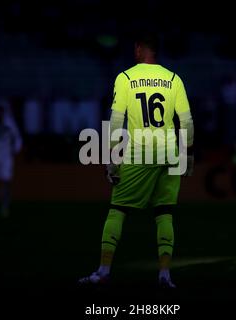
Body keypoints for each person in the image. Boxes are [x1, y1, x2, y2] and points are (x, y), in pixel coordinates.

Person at [79, 33, 194, 289]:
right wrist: (187, 154)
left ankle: (103, 271)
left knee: (117, 209)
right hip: (169, 152)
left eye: (135, 48)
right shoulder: (173, 79)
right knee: (164, 213)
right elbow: (185, 121)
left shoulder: (126, 78)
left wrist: (111, 157)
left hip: (140, 151)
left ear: (140, 50)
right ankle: (165, 276)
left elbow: (117, 118)